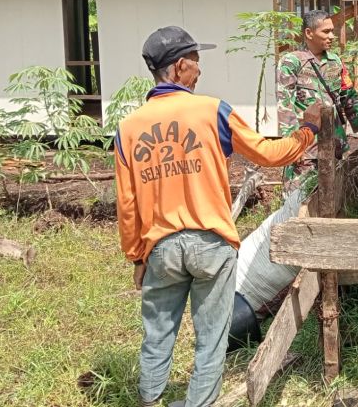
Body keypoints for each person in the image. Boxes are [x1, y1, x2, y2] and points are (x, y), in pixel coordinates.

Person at [114, 25, 321, 407]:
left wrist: (137, 257)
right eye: (196, 62)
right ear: (178, 68)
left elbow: (127, 205)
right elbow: (269, 155)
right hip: (211, 246)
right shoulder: (211, 111)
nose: (200, 69)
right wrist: (308, 129)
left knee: (157, 332)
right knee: (211, 339)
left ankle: (149, 401)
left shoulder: (127, 129)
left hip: (161, 247)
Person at [276, 9, 358, 185]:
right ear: (309, 33)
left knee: (331, 194)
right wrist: (293, 147)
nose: (332, 36)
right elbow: (285, 106)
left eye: (332, 30)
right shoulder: (291, 62)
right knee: (300, 196)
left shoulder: (335, 62)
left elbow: (348, 95)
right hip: (306, 147)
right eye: (326, 31)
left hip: (334, 143)